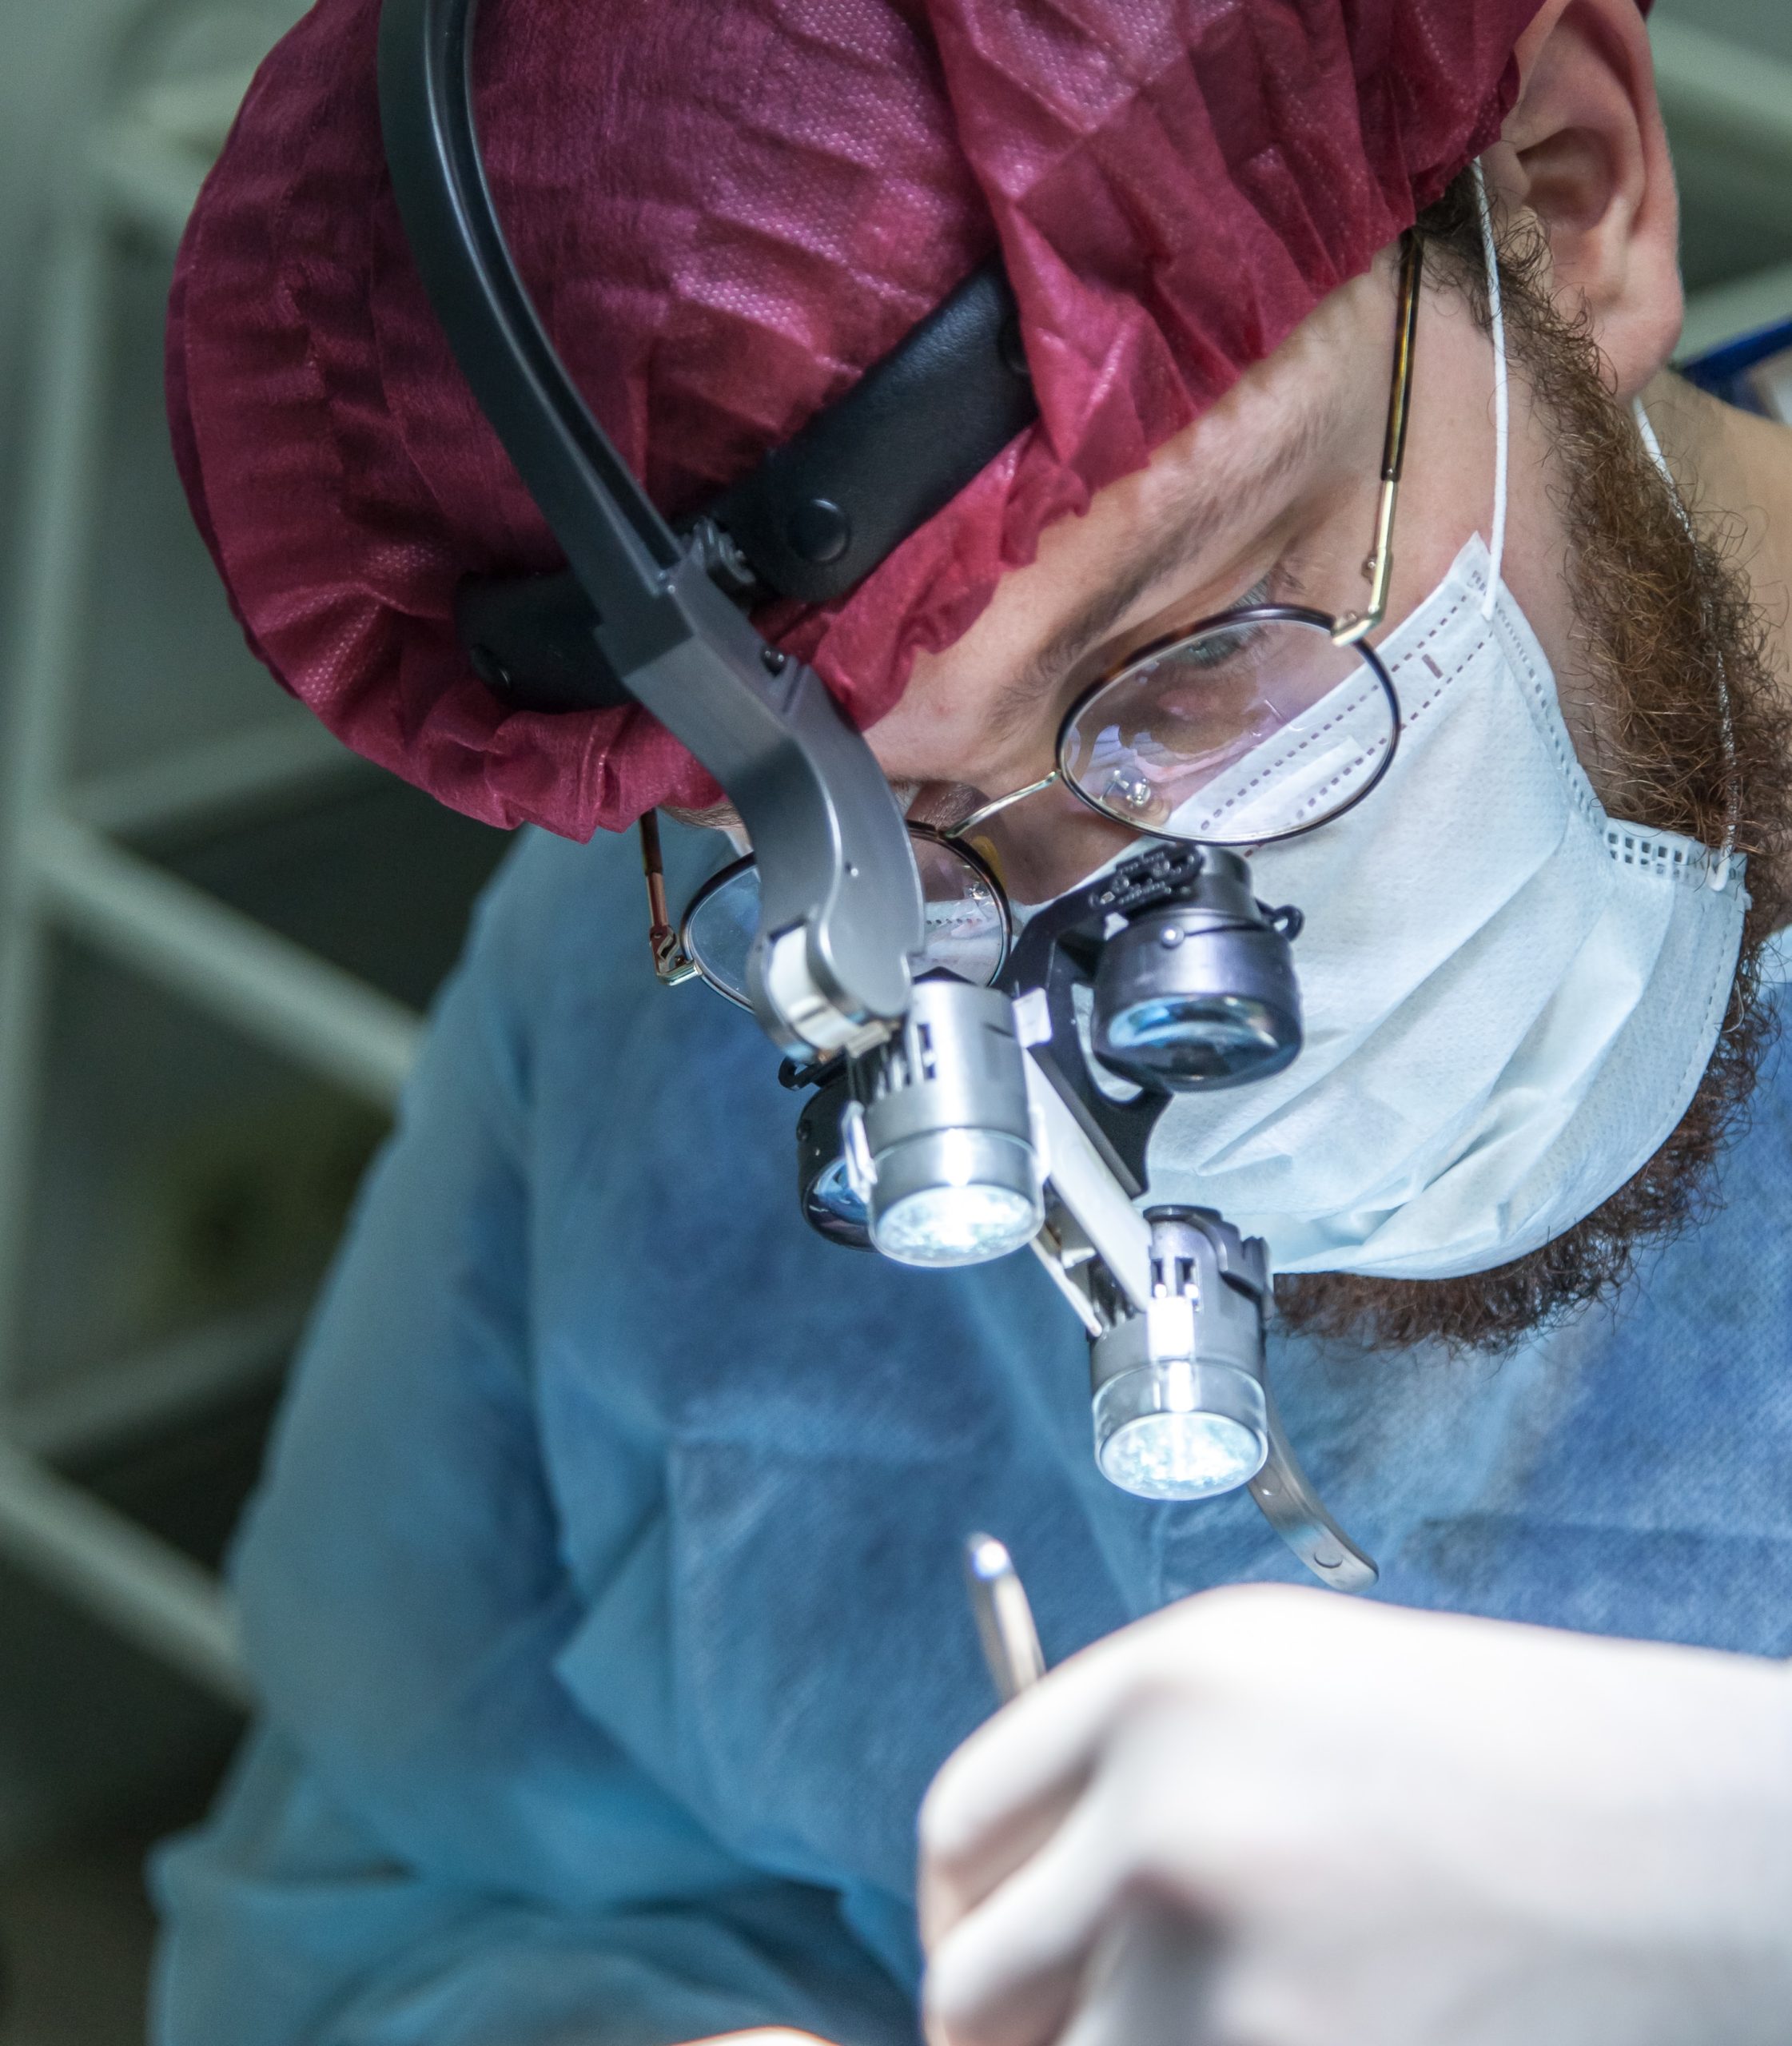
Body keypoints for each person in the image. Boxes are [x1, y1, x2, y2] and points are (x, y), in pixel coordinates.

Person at [151, 0, 1792, 2040]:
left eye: (1193, 650)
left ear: (1566, 194)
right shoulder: (674, 1005)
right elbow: (402, 1880)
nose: (1089, 935)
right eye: (898, 841)